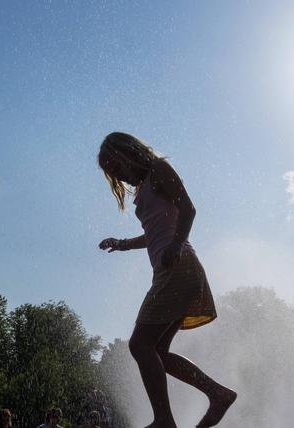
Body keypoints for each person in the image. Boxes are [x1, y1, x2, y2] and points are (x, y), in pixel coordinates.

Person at [97, 132, 236, 428]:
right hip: (170, 271)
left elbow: (189, 209)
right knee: (157, 352)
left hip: (179, 266)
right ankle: (218, 394)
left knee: (139, 345)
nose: (120, 177)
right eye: (113, 174)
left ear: (128, 154)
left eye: (118, 168)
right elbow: (153, 233)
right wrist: (121, 243)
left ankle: (163, 420)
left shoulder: (159, 169)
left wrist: (175, 245)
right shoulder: (146, 185)